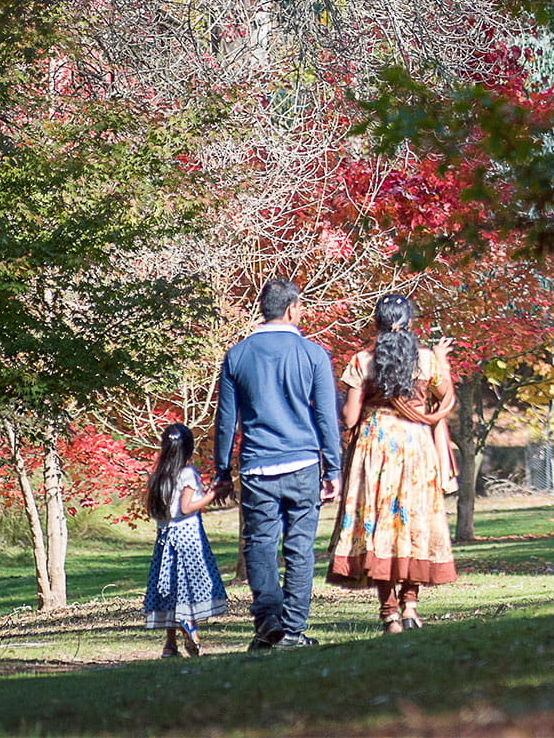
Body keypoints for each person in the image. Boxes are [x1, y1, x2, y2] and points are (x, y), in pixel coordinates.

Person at [213, 278, 343, 651]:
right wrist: (332, 469)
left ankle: (267, 619)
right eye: (301, 307)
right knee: (300, 548)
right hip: (302, 464)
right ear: (291, 310)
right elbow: (325, 419)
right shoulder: (313, 354)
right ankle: (292, 631)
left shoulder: (237, 355)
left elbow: (226, 420)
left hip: (257, 466)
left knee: (259, 544)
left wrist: (223, 472)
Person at [327, 293, 458, 634]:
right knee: (412, 523)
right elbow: (445, 398)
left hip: (375, 448)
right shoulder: (427, 361)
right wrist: (441, 361)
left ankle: (389, 614)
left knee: (377, 525)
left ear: (376, 324)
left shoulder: (361, 362)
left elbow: (351, 417)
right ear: (410, 323)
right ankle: (411, 606)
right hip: (416, 446)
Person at [140, 424, 226, 658]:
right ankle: (189, 624)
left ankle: (170, 645)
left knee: (168, 588)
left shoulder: (158, 476)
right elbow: (186, 507)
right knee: (188, 586)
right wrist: (211, 495)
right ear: (188, 448)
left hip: (164, 538)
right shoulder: (187, 473)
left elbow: (157, 508)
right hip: (188, 537)